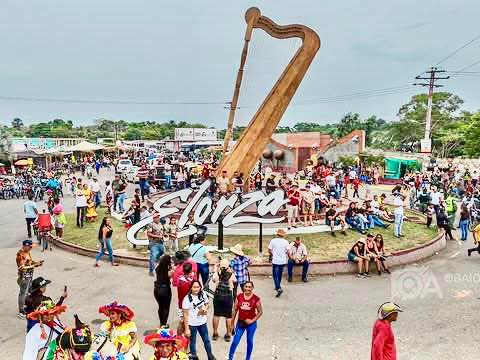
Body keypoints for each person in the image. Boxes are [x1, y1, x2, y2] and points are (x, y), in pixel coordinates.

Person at [228, 281, 263, 360]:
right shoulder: (239, 297)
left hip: (251, 325)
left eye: (249, 287)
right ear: (243, 287)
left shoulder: (256, 299)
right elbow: (235, 310)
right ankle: (230, 358)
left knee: (249, 341)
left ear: (252, 288)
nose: (247, 288)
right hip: (240, 323)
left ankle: (248, 358)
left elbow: (260, 312)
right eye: (246, 286)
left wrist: (252, 320)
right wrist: (232, 323)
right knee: (235, 341)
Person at [182, 280, 216, 360]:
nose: (196, 289)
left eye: (198, 287)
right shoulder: (187, 299)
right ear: (191, 288)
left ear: (200, 287)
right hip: (192, 324)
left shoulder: (203, 294)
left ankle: (210, 356)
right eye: (194, 287)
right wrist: (187, 329)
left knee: (207, 340)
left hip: (202, 323)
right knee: (193, 342)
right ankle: (194, 357)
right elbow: (185, 315)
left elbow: (207, 304)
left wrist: (205, 309)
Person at [17, 239, 44, 319]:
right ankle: (21, 311)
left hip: (29, 276)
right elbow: (22, 268)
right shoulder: (20, 255)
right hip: (24, 277)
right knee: (22, 293)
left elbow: (30, 262)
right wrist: (33, 266)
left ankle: (26, 306)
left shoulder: (27, 252)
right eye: (30, 247)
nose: (31, 248)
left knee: (28, 292)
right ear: (25, 246)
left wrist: (37, 263)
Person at [211, 259, 236, 342]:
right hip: (228, 296)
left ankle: (215, 333)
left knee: (216, 315)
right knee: (228, 316)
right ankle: (228, 334)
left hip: (218, 295)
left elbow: (213, 280)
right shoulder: (231, 274)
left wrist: (216, 270)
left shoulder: (217, 273)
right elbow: (235, 281)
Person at [154, 254, 174, 328]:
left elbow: (159, 263)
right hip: (165, 289)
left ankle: (161, 322)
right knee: (166, 307)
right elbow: (172, 275)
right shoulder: (168, 271)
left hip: (157, 289)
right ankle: (164, 323)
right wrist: (171, 266)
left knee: (161, 306)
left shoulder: (158, 268)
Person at [268, 229, 289, 297]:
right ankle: (278, 286)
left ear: (277, 234)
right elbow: (288, 251)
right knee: (279, 274)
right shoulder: (286, 242)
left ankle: (278, 288)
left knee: (275, 275)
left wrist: (273, 254)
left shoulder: (273, 241)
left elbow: (269, 250)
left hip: (275, 260)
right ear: (283, 235)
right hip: (283, 260)